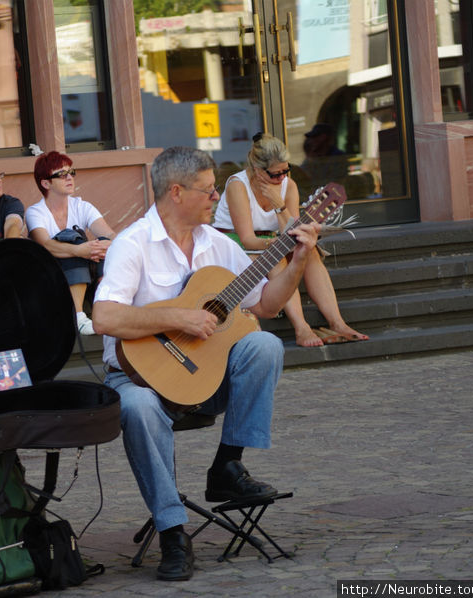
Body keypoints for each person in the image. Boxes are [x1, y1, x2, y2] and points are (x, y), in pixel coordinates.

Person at [91, 146, 322, 581]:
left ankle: (227, 467)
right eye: (209, 190)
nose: (217, 196)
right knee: (136, 407)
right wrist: (178, 317)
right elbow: (104, 317)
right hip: (139, 377)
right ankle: (172, 530)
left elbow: (267, 304)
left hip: (204, 380)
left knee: (264, 345)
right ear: (176, 192)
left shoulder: (218, 245)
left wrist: (298, 260)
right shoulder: (133, 245)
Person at [212, 133, 368, 347]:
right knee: (277, 259)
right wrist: (280, 243)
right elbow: (248, 239)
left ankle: (337, 322)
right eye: (276, 174)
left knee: (309, 252)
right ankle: (302, 328)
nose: (282, 177)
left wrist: (279, 205)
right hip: (236, 243)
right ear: (257, 170)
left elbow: (293, 229)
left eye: (286, 170)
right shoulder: (237, 185)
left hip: (272, 240)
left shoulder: (288, 185)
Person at [26, 151, 116, 335]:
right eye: (61, 174)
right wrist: (79, 250)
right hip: (51, 275)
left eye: (71, 172)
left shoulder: (82, 206)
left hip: (86, 273)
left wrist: (106, 244)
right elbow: (46, 245)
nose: (69, 178)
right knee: (70, 237)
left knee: (103, 244)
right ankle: (79, 316)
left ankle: (106, 308)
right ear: (45, 183)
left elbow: (109, 233)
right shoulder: (35, 212)